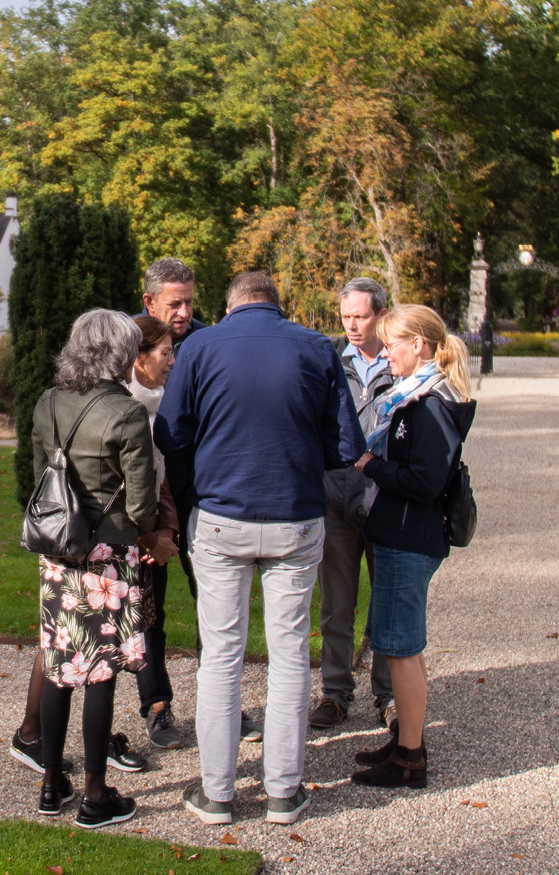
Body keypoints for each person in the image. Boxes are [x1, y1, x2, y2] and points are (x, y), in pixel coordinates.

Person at [157, 272, 366, 827]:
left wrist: (185, 499)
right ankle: (282, 790)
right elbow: (345, 444)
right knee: (290, 651)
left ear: (229, 309)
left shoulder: (199, 347)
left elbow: (171, 436)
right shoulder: (316, 347)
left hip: (221, 517)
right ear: (277, 305)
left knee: (221, 655)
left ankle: (218, 792)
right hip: (293, 515)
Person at [28, 309, 158, 828]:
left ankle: (50, 782)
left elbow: (42, 479)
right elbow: (143, 509)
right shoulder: (126, 414)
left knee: (61, 668)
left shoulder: (47, 403)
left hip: (59, 551)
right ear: (120, 356)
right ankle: (95, 794)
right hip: (108, 557)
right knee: (100, 673)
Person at [349, 304, 475, 789]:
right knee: (400, 647)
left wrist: (371, 466)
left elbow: (425, 480)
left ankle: (410, 756)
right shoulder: (415, 398)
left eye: (393, 346)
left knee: (402, 650)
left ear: (418, 346)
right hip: (399, 533)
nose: (386, 356)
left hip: (409, 536)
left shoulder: (431, 404)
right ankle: (405, 741)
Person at [135, 257, 258, 743]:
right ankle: (157, 704)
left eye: (190, 301)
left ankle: (223, 702)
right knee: (149, 605)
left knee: (215, 601)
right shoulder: (130, 344)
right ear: (149, 303)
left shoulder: (212, 341)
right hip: (144, 497)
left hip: (205, 492)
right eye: (174, 303)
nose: (184, 311)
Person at [312, 278, 399, 730]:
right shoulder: (330, 360)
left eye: (360, 316)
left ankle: (388, 695)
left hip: (385, 501)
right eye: (345, 316)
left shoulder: (401, 363)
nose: (351, 325)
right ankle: (335, 692)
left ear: (380, 315)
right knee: (336, 602)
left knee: (387, 603)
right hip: (335, 498)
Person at [123, 315, 183, 749]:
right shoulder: (121, 405)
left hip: (152, 534)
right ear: (139, 358)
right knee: (109, 631)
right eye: (166, 353)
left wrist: (165, 531)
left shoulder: (167, 402)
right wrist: (147, 536)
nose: (173, 361)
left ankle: (157, 706)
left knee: (151, 621)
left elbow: (161, 479)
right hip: (118, 540)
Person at [139, 257, 208, 347]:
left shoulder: (207, 340)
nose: (184, 314)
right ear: (150, 302)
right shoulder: (126, 338)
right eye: (174, 304)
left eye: (188, 302)